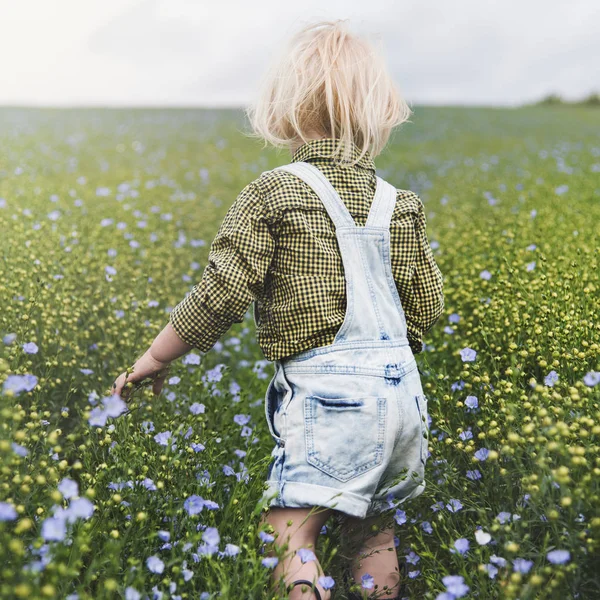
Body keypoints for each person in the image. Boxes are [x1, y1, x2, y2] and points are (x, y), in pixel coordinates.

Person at [111, 18, 444, 600]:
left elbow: (220, 295)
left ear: (283, 109)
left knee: (291, 532)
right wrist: (386, 360)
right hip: (402, 398)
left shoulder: (273, 192)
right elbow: (427, 304)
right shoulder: (401, 204)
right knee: (374, 535)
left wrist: (154, 358)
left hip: (329, 397)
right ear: (381, 112)